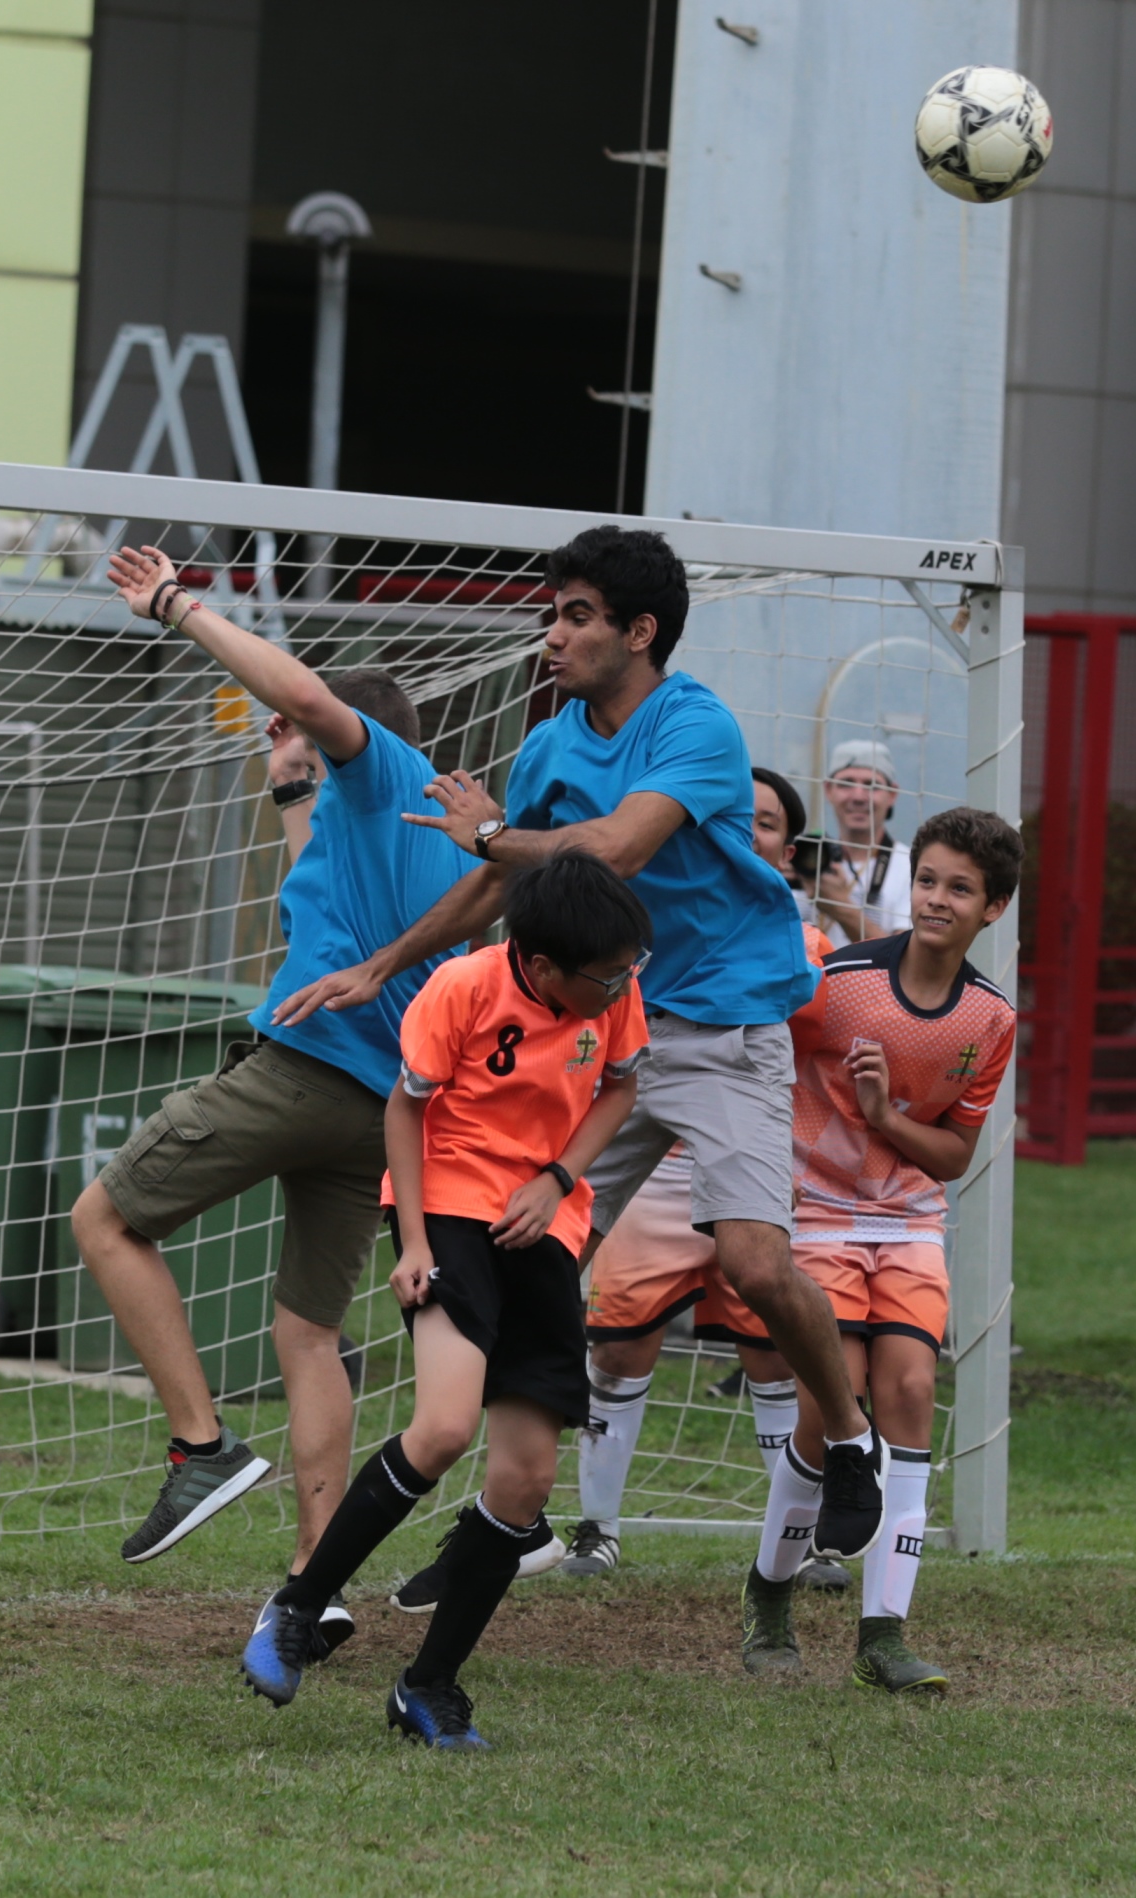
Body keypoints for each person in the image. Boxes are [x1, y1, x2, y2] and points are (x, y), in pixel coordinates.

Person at [272, 525, 889, 1566]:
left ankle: (850, 1438)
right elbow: (502, 876)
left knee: (752, 1262)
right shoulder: (552, 743)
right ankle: (507, 1512)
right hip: (608, 1033)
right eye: (551, 614)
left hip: (727, 1021)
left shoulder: (696, 723)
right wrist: (384, 965)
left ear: (639, 632)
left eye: (575, 616)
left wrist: (486, 832)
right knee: (528, 1255)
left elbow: (614, 849)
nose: (550, 636)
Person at [70, 546, 474, 1653]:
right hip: (377, 1114)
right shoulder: (420, 837)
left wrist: (178, 606)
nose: (285, 733)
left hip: (304, 1074)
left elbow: (304, 694)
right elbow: (322, 877)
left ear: (353, 735)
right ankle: (314, 1582)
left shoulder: (382, 767)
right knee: (310, 1333)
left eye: (303, 734)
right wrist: (292, 781)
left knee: (104, 1219)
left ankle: (200, 1446)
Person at [240, 852, 650, 1749]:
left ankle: (428, 1686)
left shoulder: (609, 988)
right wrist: (417, 1241)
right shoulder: (462, 988)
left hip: (545, 1223)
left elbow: (621, 1085)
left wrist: (558, 1177)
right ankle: (297, 1606)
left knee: (526, 1480)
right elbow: (405, 1109)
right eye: (610, 975)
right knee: (443, 1428)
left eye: (631, 969)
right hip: (453, 1206)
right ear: (540, 966)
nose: (625, 985)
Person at [740, 806, 1021, 1694]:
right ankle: (770, 1597)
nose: (937, 899)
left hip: (907, 1222)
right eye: (928, 879)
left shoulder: (991, 1018)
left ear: (993, 908)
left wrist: (884, 1116)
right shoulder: (838, 981)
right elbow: (759, 1063)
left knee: (910, 1393)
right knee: (827, 1408)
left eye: (960, 889)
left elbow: (954, 1156)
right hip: (817, 1214)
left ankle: (883, 1635)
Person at [553, 767, 845, 1586]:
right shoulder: (640, 931)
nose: (743, 833)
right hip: (653, 1180)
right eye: (730, 818)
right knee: (619, 1347)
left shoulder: (803, 944)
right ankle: (595, 1528)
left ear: (787, 852)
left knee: (771, 1353)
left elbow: (819, 1055)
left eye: (764, 824)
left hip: (749, 1174)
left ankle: (802, 1534)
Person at [804, 740, 913, 948]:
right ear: (828, 790)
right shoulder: (805, 860)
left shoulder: (911, 867)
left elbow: (905, 958)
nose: (858, 796)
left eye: (872, 785)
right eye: (846, 783)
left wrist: (839, 905)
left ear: (892, 795)